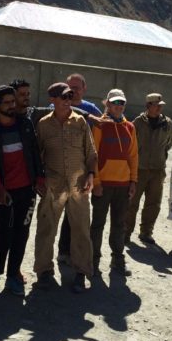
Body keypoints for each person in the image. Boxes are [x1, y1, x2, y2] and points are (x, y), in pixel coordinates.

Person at [34, 82, 97, 293]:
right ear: (52, 99)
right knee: (46, 229)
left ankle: (81, 272)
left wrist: (91, 174)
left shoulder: (80, 122)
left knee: (81, 230)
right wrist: (39, 180)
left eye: (70, 96)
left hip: (78, 186)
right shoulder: (43, 125)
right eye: (63, 97)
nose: (68, 100)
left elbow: (91, 152)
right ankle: (44, 271)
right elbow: (37, 156)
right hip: (53, 186)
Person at [0, 85, 44, 296]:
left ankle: (12, 278)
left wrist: (39, 178)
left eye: (13, 101)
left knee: (22, 234)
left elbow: (35, 154)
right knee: (4, 234)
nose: (13, 105)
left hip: (26, 192)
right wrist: (0, 189)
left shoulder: (25, 125)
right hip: (4, 194)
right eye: (7, 102)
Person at [90, 88, 138, 276]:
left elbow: (133, 156)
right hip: (104, 184)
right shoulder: (100, 125)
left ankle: (117, 260)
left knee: (119, 224)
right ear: (107, 104)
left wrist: (133, 180)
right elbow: (93, 155)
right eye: (115, 103)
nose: (118, 106)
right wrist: (96, 181)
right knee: (97, 224)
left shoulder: (130, 127)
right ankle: (93, 261)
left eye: (122, 103)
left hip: (123, 185)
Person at [57, 73, 104, 264]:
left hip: (85, 168)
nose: (73, 90)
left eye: (77, 87)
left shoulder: (91, 109)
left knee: (79, 214)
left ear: (84, 89)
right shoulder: (58, 106)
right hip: (62, 168)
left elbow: (107, 124)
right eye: (70, 87)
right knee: (63, 210)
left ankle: (79, 253)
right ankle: (63, 251)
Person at [126, 92, 172, 246]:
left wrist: (159, 158)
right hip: (139, 169)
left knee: (153, 203)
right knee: (131, 203)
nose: (160, 108)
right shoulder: (137, 123)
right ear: (148, 106)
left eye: (161, 105)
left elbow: (169, 143)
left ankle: (146, 232)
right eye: (156, 105)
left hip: (157, 170)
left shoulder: (167, 123)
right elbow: (131, 146)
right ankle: (125, 233)